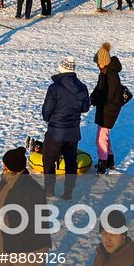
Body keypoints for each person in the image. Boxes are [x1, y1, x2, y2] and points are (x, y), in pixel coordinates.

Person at [41, 56, 91, 200]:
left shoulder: (55, 88)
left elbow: (46, 110)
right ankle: (68, 192)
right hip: (73, 133)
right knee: (71, 162)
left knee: (49, 161)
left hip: (56, 133)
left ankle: (49, 190)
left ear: (62, 68)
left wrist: (49, 120)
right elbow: (85, 108)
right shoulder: (82, 87)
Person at [91, 44, 125, 174]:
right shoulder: (104, 73)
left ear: (103, 62)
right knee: (105, 136)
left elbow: (108, 96)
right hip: (104, 108)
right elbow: (99, 88)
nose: (97, 65)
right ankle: (109, 160)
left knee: (100, 138)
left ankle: (102, 163)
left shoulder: (112, 76)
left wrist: (95, 100)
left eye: (98, 62)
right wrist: (92, 97)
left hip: (109, 110)